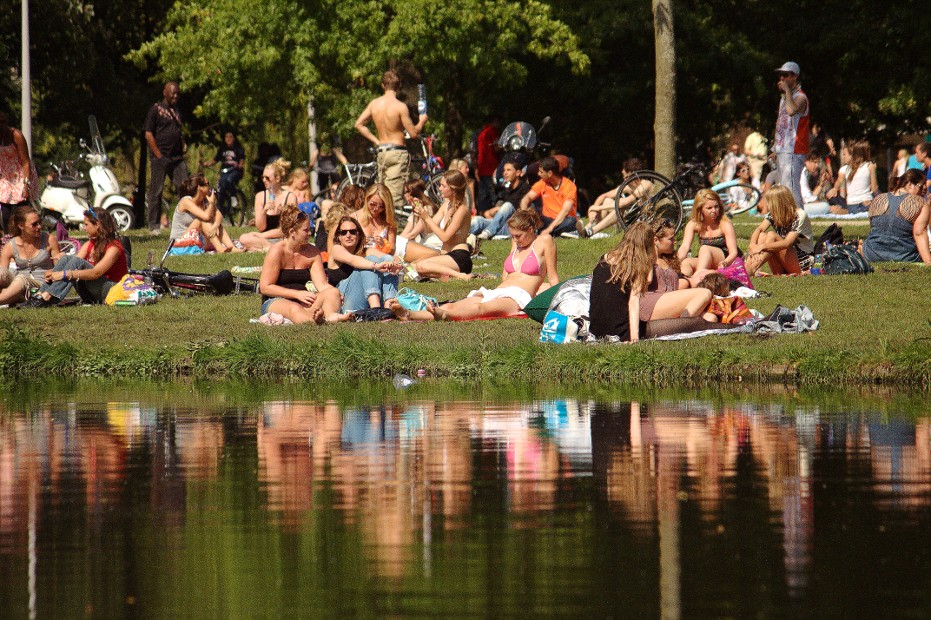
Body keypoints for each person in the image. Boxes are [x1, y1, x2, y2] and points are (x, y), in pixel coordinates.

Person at [389, 209, 558, 321]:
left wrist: (560, 302)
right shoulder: (517, 244)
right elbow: (506, 275)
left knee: (480, 308)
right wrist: (495, 292)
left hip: (518, 298)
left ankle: (445, 316)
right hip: (499, 291)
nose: (515, 240)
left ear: (530, 230)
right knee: (453, 304)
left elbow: (553, 277)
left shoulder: (544, 241)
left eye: (518, 236)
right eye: (512, 236)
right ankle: (409, 314)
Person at [588, 222, 715, 343]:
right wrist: (634, 339)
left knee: (705, 319)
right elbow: (634, 303)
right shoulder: (635, 266)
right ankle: (728, 327)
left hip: (596, 329)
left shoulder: (604, 258)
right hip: (620, 332)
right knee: (690, 324)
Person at [354, 69, 428, 208]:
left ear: (383, 85)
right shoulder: (400, 107)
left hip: (382, 152)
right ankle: (396, 227)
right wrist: (422, 121)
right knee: (394, 199)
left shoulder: (374, 104)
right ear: (398, 86)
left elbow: (358, 124)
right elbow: (413, 133)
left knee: (382, 195)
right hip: (397, 152)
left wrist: (376, 141)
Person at [27, 208, 128, 307]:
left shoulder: (114, 248)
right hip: (91, 291)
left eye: (86, 224)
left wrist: (63, 274)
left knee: (75, 261)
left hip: (112, 290)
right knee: (66, 259)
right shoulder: (90, 244)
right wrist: (56, 269)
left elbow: (96, 273)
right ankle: (40, 295)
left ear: (97, 225)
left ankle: (47, 296)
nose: (84, 228)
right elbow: (72, 263)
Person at [258, 207, 341, 324]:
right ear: (292, 232)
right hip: (276, 301)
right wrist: (296, 294)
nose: (310, 233)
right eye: (305, 230)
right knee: (294, 308)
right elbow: (265, 287)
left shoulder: (313, 252)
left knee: (333, 293)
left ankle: (330, 317)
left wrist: (335, 293)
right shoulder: (277, 251)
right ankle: (316, 322)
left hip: (303, 301)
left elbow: (322, 284)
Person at [326, 215, 401, 316]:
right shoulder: (336, 249)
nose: (348, 235)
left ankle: (389, 305)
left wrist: (396, 265)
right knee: (370, 261)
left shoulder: (366, 251)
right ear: (339, 236)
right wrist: (375, 265)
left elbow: (390, 259)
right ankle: (376, 309)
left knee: (387, 259)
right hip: (343, 302)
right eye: (343, 232)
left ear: (359, 234)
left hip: (363, 303)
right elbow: (353, 260)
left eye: (352, 232)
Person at [408, 170, 473, 280]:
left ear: (453, 189)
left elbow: (445, 237)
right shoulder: (446, 205)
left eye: (443, 186)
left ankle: (460, 276)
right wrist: (422, 214)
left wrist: (427, 218)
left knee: (421, 266)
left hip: (459, 257)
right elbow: (429, 229)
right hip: (445, 255)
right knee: (412, 266)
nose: (440, 188)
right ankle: (448, 276)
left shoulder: (462, 209)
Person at [144, 81, 189, 234]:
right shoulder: (156, 109)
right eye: (172, 93)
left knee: (185, 188)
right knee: (156, 191)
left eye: (177, 93)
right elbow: (148, 133)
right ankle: (154, 226)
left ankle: (186, 222)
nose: (175, 96)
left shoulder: (177, 110)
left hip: (177, 157)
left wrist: (182, 143)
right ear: (165, 93)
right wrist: (158, 155)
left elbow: (177, 130)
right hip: (160, 157)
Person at [862, 169, 931, 264]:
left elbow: (874, 229)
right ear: (909, 184)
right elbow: (919, 234)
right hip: (904, 256)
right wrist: (928, 261)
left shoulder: (877, 199)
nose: (924, 190)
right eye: (921, 186)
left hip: (872, 254)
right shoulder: (921, 203)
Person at [745, 185, 815, 274]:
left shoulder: (800, 215)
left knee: (771, 235)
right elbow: (759, 229)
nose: (767, 205)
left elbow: (787, 243)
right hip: (784, 262)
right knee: (762, 235)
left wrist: (761, 247)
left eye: (769, 202)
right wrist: (752, 245)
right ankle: (747, 268)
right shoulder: (774, 213)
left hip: (802, 263)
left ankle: (750, 269)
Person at [0, 206, 61, 306]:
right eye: (34, 224)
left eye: (40, 222)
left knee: (22, 279)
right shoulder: (11, 246)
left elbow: (59, 268)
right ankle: (13, 297)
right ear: (21, 226)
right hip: (17, 286)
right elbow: (4, 273)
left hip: (41, 285)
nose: (39, 227)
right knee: (1, 272)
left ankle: (6, 299)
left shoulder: (48, 239)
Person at [577, 158, 649, 238]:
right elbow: (605, 196)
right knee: (607, 200)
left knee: (621, 207)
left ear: (632, 174)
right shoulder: (630, 186)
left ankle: (590, 232)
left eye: (625, 177)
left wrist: (599, 207)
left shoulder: (645, 184)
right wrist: (594, 209)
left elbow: (625, 202)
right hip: (632, 220)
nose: (624, 180)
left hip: (644, 223)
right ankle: (586, 228)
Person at [170, 174, 242, 252]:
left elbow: (219, 215)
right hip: (178, 243)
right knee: (201, 220)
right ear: (200, 187)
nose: (210, 187)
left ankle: (233, 248)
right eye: (207, 184)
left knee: (217, 224)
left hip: (197, 240)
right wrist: (211, 203)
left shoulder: (204, 201)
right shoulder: (186, 201)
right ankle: (220, 248)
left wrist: (215, 226)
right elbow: (206, 217)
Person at [773, 62, 810, 211]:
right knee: (783, 189)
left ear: (795, 76)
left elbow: (791, 110)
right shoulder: (784, 99)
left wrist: (787, 91)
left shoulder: (801, 97)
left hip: (795, 149)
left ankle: (801, 227)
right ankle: (789, 225)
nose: (782, 78)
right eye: (781, 75)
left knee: (792, 188)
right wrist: (775, 147)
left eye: (786, 75)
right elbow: (780, 124)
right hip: (783, 149)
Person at [677, 189, 740, 275]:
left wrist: (725, 262)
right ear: (700, 209)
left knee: (705, 248)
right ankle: (682, 283)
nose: (714, 210)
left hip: (725, 259)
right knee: (686, 262)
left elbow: (733, 252)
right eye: (709, 208)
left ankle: (697, 278)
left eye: (716, 206)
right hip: (706, 259)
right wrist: (675, 262)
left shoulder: (725, 224)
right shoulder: (693, 224)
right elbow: (684, 247)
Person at [239, 159, 297, 251]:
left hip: (283, 237)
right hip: (265, 238)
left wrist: (262, 235)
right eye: (263, 177)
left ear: (277, 179)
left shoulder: (290, 197)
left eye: (267, 178)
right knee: (243, 238)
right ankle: (270, 248)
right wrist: (264, 210)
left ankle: (265, 248)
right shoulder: (260, 196)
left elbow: (286, 229)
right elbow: (260, 227)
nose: (264, 180)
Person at [520, 156, 578, 237]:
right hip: (546, 220)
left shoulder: (569, 186)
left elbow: (565, 211)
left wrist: (549, 229)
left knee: (571, 221)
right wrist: (524, 214)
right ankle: (557, 233)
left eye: (541, 172)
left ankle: (548, 232)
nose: (538, 174)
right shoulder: (542, 183)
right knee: (532, 207)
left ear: (550, 173)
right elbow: (527, 198)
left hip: (562, 220)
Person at [472, 159, 530, 240]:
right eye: (504, 170)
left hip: (513, 226)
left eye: (508, 170)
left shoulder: (525, 189)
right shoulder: (506, 189)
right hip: (500, 224)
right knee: (478, 220)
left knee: (508, 206)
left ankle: (488, 232)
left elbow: (521, 211)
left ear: (518, 173)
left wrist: (500, 210)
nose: (504, 173)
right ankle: (461, 234)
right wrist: (493, 211)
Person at [0, 112, 38, 234]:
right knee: (5, 215)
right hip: (6, 177)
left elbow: (26, 162)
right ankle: (10, 241)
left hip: (21, 175)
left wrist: (26, 184)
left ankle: (23, 240)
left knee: (18, 214)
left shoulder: (16, 135)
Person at [200, 130, 245, 217]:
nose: (228, 139)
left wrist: (240, 165)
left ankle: (233, 197)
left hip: (235, 171)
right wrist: (207, 163)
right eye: (226, 137)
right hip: (225, 170)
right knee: (220, 187)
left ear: (234, 138)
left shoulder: (238, 148)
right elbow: (216, 159)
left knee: (229, 180)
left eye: (230, 137)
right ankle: (221, 208)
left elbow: (242, 160)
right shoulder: (222, 148)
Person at [828, 141, 877, 215]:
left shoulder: (844, 169)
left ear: (852, 155)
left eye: (844, 154)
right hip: (866, 203)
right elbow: (874, 189)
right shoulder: (869, 166)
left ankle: (845, 212)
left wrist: (834, 189)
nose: (843, 157)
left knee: (852, 212)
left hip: (851, 205)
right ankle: (846, 212)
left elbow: (839, 181)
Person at [353, 183, 397, 256]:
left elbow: (392, 250)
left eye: (381, 206)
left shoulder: (388, 221)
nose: (376, 209)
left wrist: (384, 245)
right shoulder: (354, 218)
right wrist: (359, 243)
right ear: (367, 199)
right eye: (373, 204)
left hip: (381, 262)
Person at [474, 115, 502, 214]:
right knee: (494, 194)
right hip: (491, 167)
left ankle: (482, 214)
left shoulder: (481, 133)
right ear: (494, 121)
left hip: (482, 168)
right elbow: (497, 147)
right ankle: (495, 215)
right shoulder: (492, 131)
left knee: (483, 194)